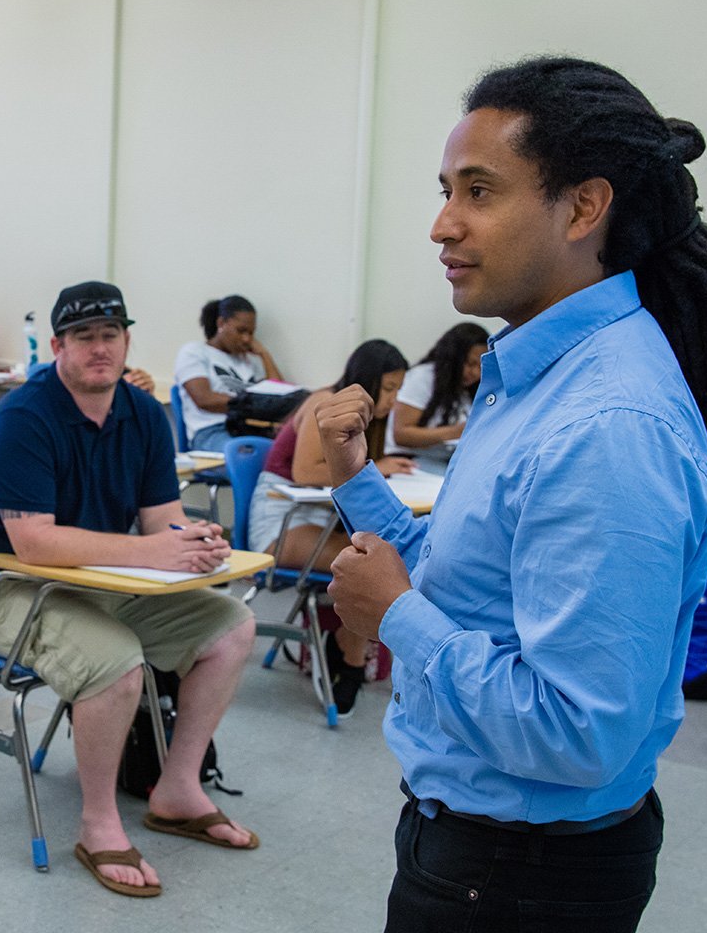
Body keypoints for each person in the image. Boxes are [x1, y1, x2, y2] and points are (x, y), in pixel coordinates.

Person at [316, 56, 707, 933]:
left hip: (514, 876)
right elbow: (470, 583)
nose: (441, 224)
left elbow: (579, 727)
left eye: (476, 191)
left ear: (582, 208)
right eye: (442, 191)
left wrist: (395, 619)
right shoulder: (543, 376)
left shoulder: (603, 422)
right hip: (477, 850)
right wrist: (355, 486)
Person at [0, 281, 259, 898]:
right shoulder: (23, 417)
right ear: (58, 346)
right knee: (114, 662)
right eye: (84, 338)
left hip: (93, 580)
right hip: (2, 588)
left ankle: (177, 789)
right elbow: (33, 543)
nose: (99, 349)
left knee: (231, 627)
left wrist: (191, 543)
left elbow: (159, 520)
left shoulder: (144, 413)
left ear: (126, 341)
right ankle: (97, 823)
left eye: (110, 335)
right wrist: (153, 551)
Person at [243, 339, 416, 715]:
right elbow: (306, 473)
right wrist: (376, 470)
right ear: (367, 380)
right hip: (282, 522)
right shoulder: (326, 402)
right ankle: (351, 661)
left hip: (318, 521)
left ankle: (347, 649)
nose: (393, 400)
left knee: (377, 556)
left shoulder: (367, 419)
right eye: (388, 389)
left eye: (399, 390)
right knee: (372, 565)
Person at [172, 295, 282, 452]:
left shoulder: (250, 359)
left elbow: (279, 395)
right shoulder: (194, 352)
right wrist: (257, 405)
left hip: (250, 428)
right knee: (251, 457)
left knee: (295, 452)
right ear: (221, 323)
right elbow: (205, 400)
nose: (247, 339)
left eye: (251, 333)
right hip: (212, 431)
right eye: (241, 331)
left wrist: (265, 354)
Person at [385, 322, 488, 463]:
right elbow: (401, 434)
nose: (476, 372)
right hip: (407, 460)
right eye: (470, 363)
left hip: (441, 461)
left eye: (481, 366)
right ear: (454, 358)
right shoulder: (422, 377)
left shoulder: (465, 390)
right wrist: (456, 432)